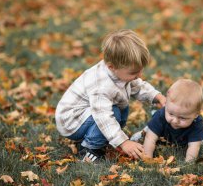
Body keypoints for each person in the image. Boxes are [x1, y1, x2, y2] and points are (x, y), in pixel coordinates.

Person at [55, 29, 166, 162]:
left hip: (85, 115)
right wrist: (124, 143)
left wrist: (157, 96)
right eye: (134, 73)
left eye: (140, 70)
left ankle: (99, 137)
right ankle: (89, 148)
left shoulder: (120, 71)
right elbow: (103, 117)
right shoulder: (101, 85)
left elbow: (138, 86)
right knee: (113, 112)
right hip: (71, 121)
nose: (139, 76)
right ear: (112, 67)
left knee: (118, 110)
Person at [142, 79, 203, 162]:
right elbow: (150, 139)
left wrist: (188, 164)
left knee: (199, 142)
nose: (175, 121)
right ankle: (145, 131)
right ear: (166, 104)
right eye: (171, 114)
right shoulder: (161, 116)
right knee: (149, 133)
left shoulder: (196, 123)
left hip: (183, 141)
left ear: (196, 115)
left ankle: (197, 138)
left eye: (182, 118)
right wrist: (147, 159)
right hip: (161, 134)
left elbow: (194, 147)